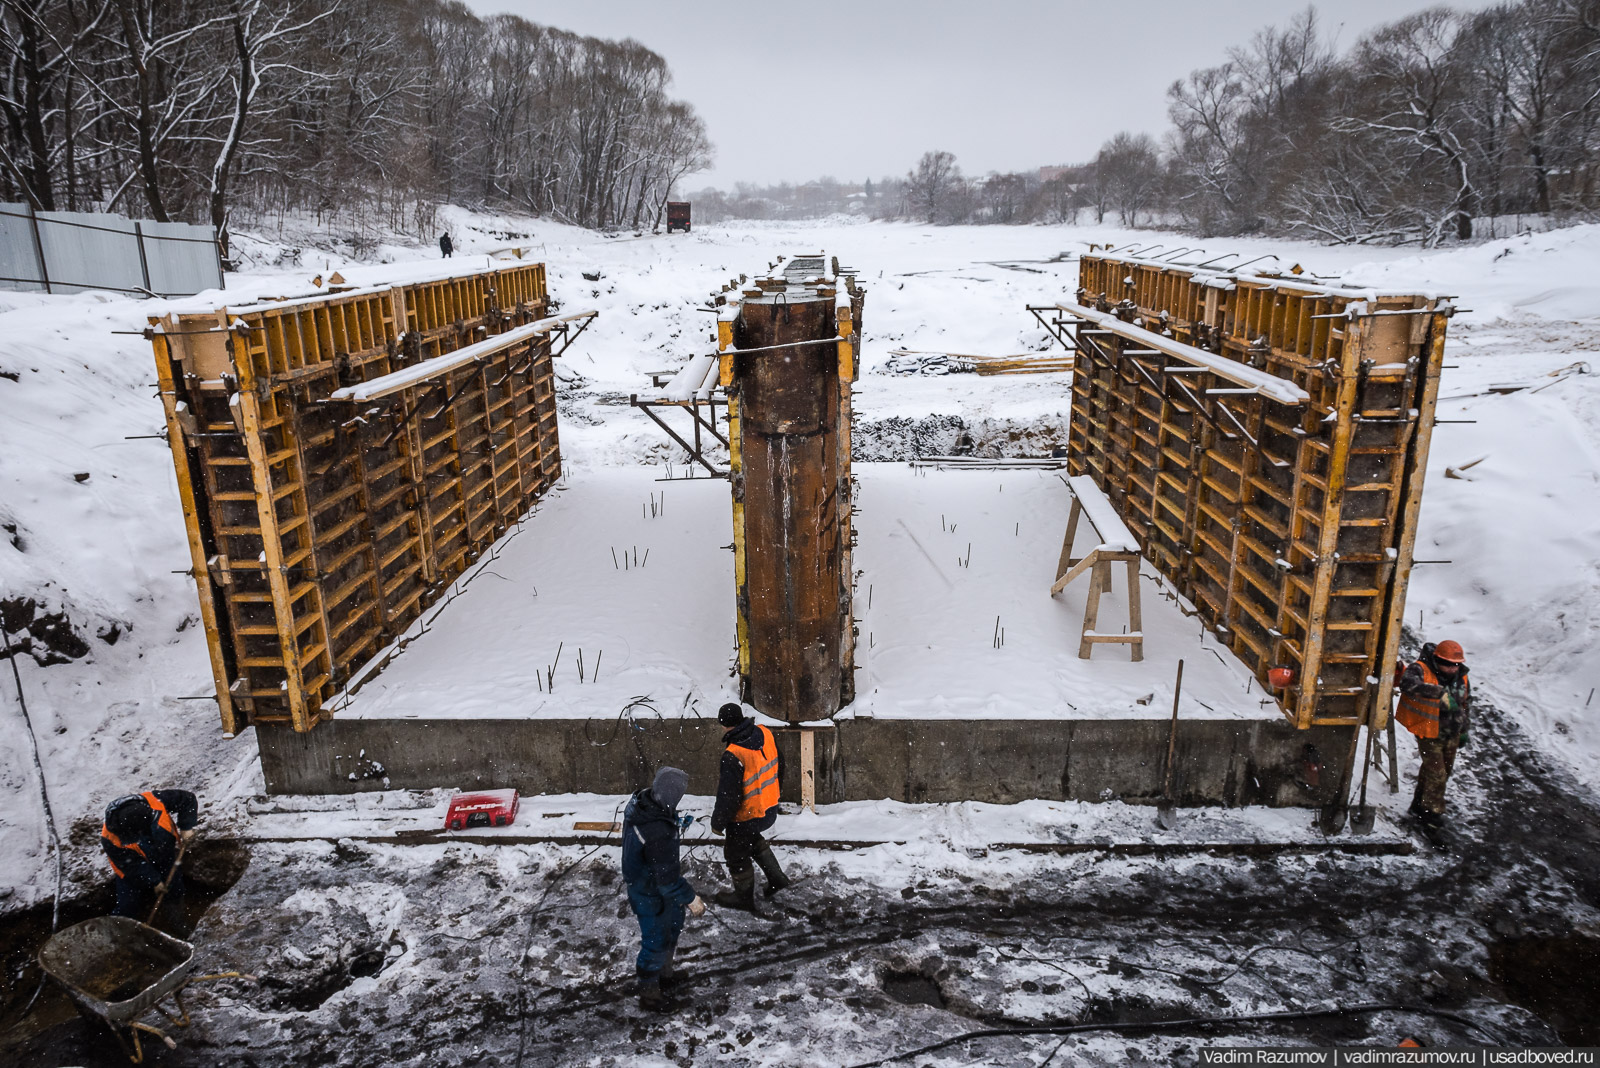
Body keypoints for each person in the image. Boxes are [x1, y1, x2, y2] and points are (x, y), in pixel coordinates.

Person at [620, 766, 705, 1010]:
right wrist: (691, 899)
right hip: (650, 891)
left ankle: (664, 975)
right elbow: (667, 881)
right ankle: (650, 993)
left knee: (672, 928)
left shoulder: (645, 804)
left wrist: (673, 823)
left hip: (650, 881)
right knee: (656, 940)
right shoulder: (657, 831)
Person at [710, 703, 790, 909]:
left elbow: (728, 796)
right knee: (752, 838)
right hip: (769, 808)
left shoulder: (733, 754)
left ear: (725, 725)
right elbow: (780, 764)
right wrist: (775, 793)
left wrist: (718, 823)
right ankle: (778, 879)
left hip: (748, 815)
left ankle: (743, 898)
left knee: (735, 853)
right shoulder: (765, 733)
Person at [1395, 639, 1471, 829]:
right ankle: (1431, 815)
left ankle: (1418, 806)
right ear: (1437, 660)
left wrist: (1463, 728)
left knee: (1440, 772)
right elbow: (1408, 685)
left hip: (1451, 733)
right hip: (1428, 732)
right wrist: (1437, 692)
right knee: (1437, 774)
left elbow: (1465, 703)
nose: (1452, 668)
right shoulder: (1420, 669)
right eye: (1447, 664)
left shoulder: (1462, 676)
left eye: (1455, 664)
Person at [100, 790, 199, 924]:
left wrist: (186, 827)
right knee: (128, 905)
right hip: (131, 867)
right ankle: (121, 931)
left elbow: (187, 799)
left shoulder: (156, 801)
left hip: (164, 854)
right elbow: (130, 865)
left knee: (174, 889)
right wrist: (154, 881)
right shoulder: (109, 838)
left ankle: (175, 918)